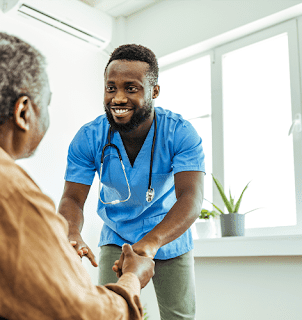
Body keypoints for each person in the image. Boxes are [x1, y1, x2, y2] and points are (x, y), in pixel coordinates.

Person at [0, 30, 155, 320]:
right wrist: (132, 279)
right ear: (24, 112)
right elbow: (87, 315)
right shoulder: (8, 196)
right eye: (45, 103)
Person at [59, 44, 205, 320]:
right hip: (117, 235)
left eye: (131, 88)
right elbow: (72, 199)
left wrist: (151, 243)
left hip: (169, 237)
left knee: (179, 316)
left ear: (154, 91)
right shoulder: (89, 137)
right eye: (111, 88)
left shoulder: (180, 133)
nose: (118, 97)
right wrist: (71, 232)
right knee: (109, 313)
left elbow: (191, 198)